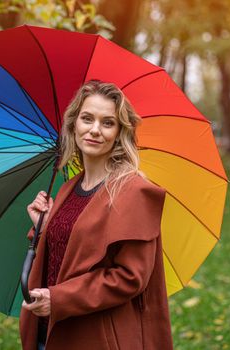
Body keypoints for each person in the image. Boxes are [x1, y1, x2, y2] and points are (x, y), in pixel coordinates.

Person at [20, 80, 173, 350]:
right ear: (74, 124)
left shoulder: (133, 191)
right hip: (51, 333)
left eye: (107, 123)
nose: (94, 130)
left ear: (119, 132)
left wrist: (59, 299)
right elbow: (76, 251)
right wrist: (44, 229)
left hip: (95, 337)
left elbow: (129, 277)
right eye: (87, 118)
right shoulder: (70, 187)